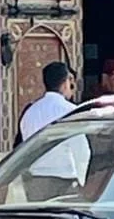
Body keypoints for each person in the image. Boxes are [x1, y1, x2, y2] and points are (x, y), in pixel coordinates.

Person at [18, 61, 81, 200]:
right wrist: (82, 179)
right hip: (64, 180)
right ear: (65, 83)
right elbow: (81, 149)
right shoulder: (70, 111)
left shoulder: (30, 112)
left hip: (35, 179)